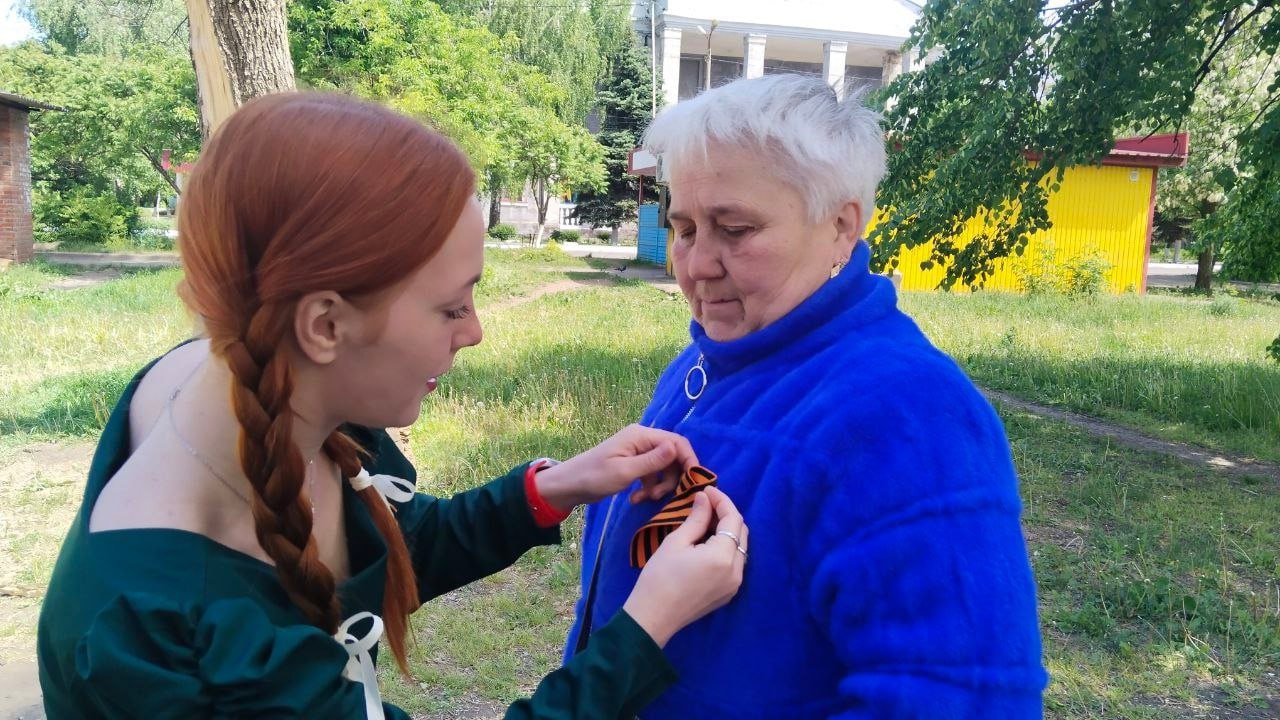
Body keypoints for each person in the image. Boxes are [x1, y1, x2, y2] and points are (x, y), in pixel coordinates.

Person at [37, 92, 747, 719]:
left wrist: (554, 488)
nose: (475, 332)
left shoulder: (260, 384)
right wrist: (648, 623)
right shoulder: (165, 636)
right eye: (449, 307)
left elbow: (390, 544)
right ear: (325, 325)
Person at [565, 74, 1047, 718]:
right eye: (683, 228)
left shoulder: (909, 414)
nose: (696, 264)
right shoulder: (705, 363)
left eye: (734, 229)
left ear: (842, 227)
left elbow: (966, 698)